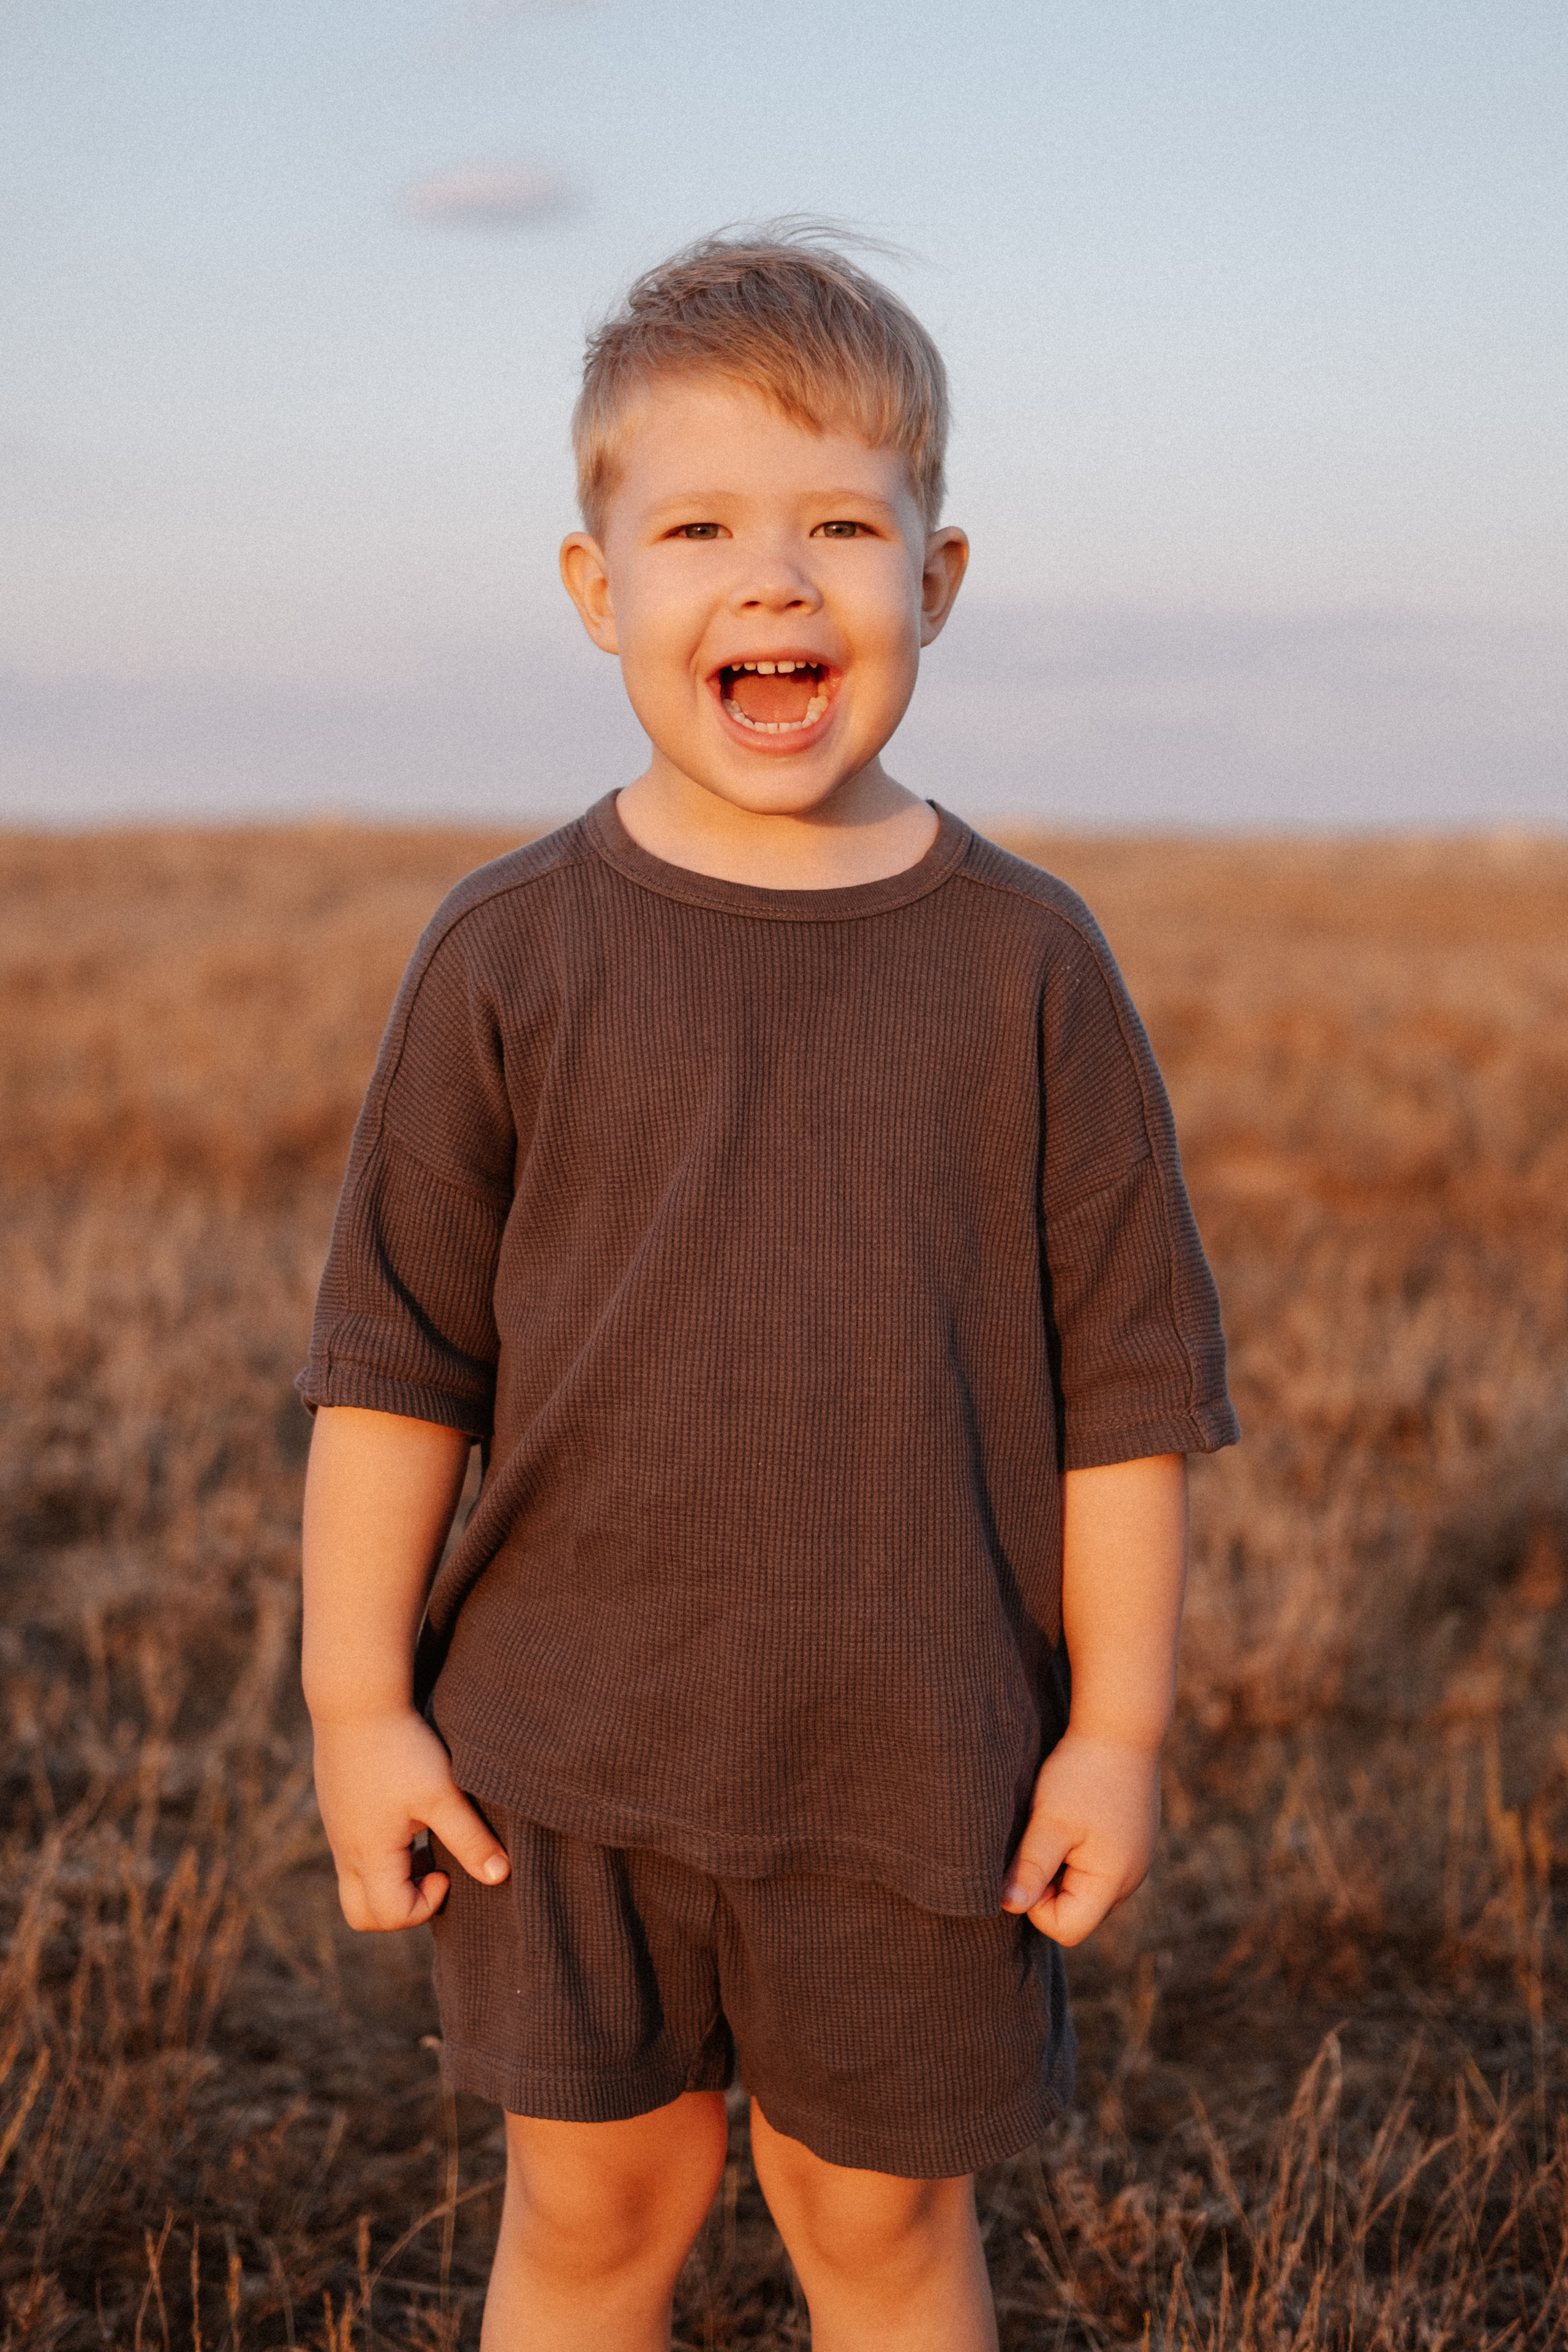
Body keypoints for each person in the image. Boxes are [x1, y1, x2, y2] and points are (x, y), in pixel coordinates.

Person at [298, 226, 1238, 2352]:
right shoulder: (509, 951)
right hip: (567, 1756)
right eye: (702, 526)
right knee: (594, 2226)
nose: (778, 582)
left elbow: (1131, 1390)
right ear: (596, 587)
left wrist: (1119, 1732)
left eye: (842, 527)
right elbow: (395, 1362)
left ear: (942, 576)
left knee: (884, 2241)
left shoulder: (1027, 963)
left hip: (923, 1770)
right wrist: (359, 1706)